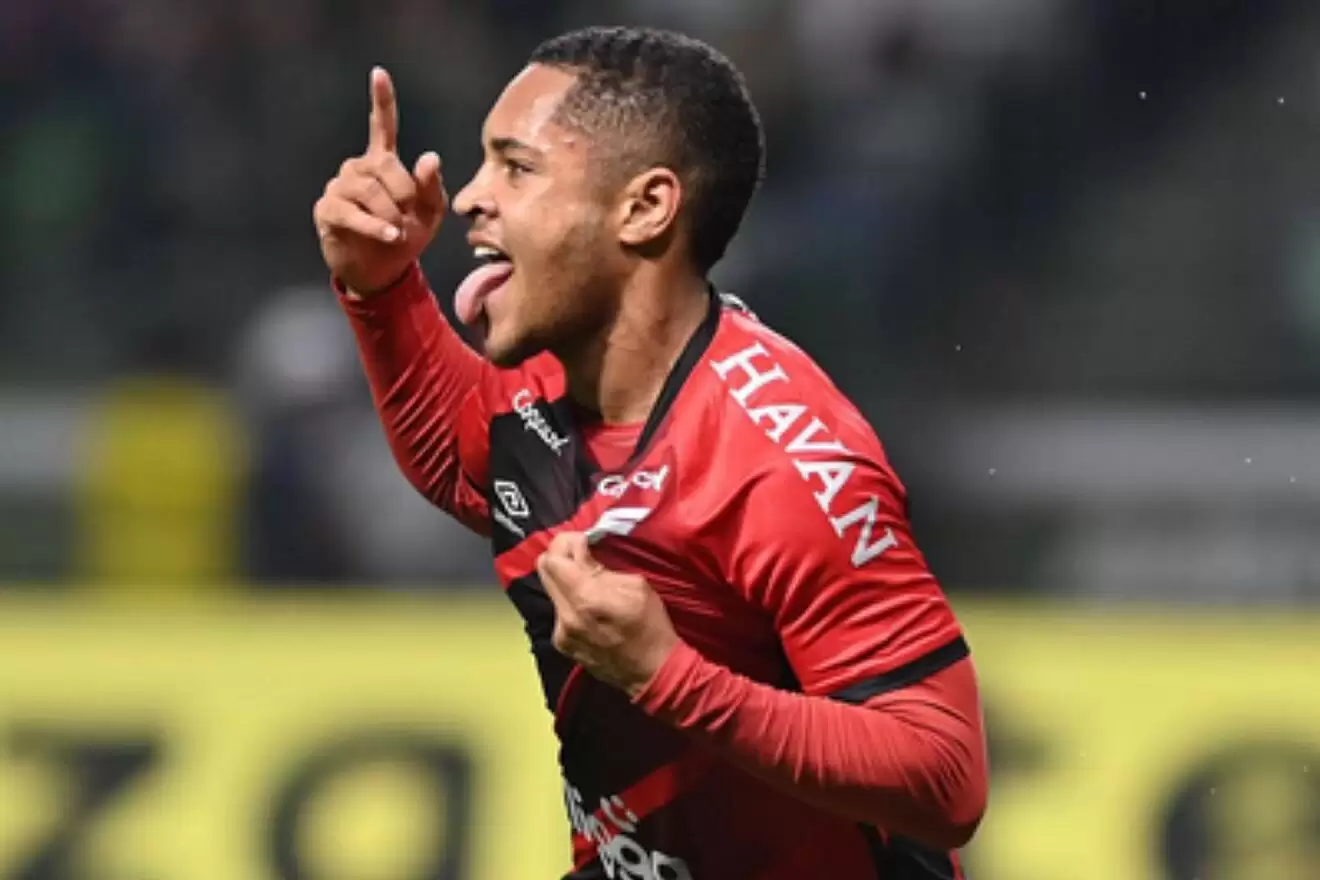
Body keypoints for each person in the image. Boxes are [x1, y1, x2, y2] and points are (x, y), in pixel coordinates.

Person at [313, 26, 987, 880]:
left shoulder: (782, 462)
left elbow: (945, 777)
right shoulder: (544, 383)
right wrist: (380, 287)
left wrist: (669, 676)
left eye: (517, 168)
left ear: (644, 208)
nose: (472, 196)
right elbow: (469, 464)